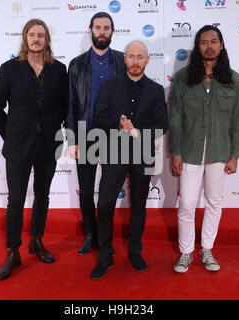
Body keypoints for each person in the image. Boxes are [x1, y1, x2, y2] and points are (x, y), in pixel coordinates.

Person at [0, 19, 68, 280]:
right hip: (19, 146)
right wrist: (10, 135)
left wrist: (68, 138)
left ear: (47, 39)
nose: (36, 39)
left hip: (48, 144)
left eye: (41, 35)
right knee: (16, 200)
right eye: (32, 35)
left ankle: (37, 240)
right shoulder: (10, 68)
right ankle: (13, 251)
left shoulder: (59, 70)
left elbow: (65, 108)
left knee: (43, 196)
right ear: (25, 38)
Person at [168, 25, 239, 273]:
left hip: (219, 153)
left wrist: (234, 155)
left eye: (214, 41)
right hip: (189, 152)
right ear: (197, 47)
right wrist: (175, 153)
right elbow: (175, 119)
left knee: (214, 202)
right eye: (203, 42)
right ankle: (186, 252)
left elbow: (236, 120)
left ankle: (207, 249)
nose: (209, 46)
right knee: (187, 204)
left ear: (221, 46)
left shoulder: (234, 80)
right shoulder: (183, 79)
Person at [90, 41, 168, 279]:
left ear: (147, 60)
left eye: (140, 57)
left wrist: (136, 130)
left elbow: (162, 125)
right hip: (114, 152)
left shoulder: (156, 90)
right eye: (131, 57)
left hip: (142, 153)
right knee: (104, 204)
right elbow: (98, 119)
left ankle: (135, 251)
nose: (135, 61)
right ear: (124, 59)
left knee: (138, 206)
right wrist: (118, 124)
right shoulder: (109, 86)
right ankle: (105, 255)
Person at [66, 12, 126, 255]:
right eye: (98, 27)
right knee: (87, 190)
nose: (102, 31)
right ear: (90, 30)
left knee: (109, 192)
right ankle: (90, 234)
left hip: (115, 138)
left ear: (112, 32)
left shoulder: (122, 61)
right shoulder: (76, 64)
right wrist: (71, 139)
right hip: (85, 135)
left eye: (107, 28)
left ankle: (105, 236)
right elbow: (69, 104)